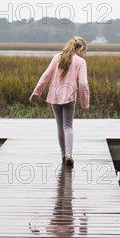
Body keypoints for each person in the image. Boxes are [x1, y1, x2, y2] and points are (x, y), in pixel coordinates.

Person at [29, 37, 90, 166]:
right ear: (80, 49)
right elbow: (83, 84)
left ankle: (63, 154)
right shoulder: (81, 61)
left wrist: (36, 92)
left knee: (60, 126)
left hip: (55, 95)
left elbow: (46, 75)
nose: (84, 54)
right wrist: (85, 103)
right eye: (85, 51)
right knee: (68, 126)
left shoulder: (57, 57)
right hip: (69, 96)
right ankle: (69, 155)